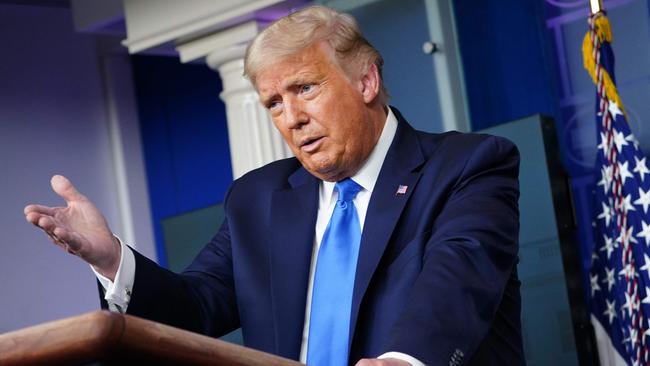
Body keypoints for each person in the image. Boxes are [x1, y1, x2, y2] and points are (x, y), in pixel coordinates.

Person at [24, 6, 524, 366]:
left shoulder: (468, 166)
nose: (292, 119)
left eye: (305, 88)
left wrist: (403, 360)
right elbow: (194, 310)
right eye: (274, 103)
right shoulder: (257, 199)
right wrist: (109, 257)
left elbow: (458, 283)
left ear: (366, 82)